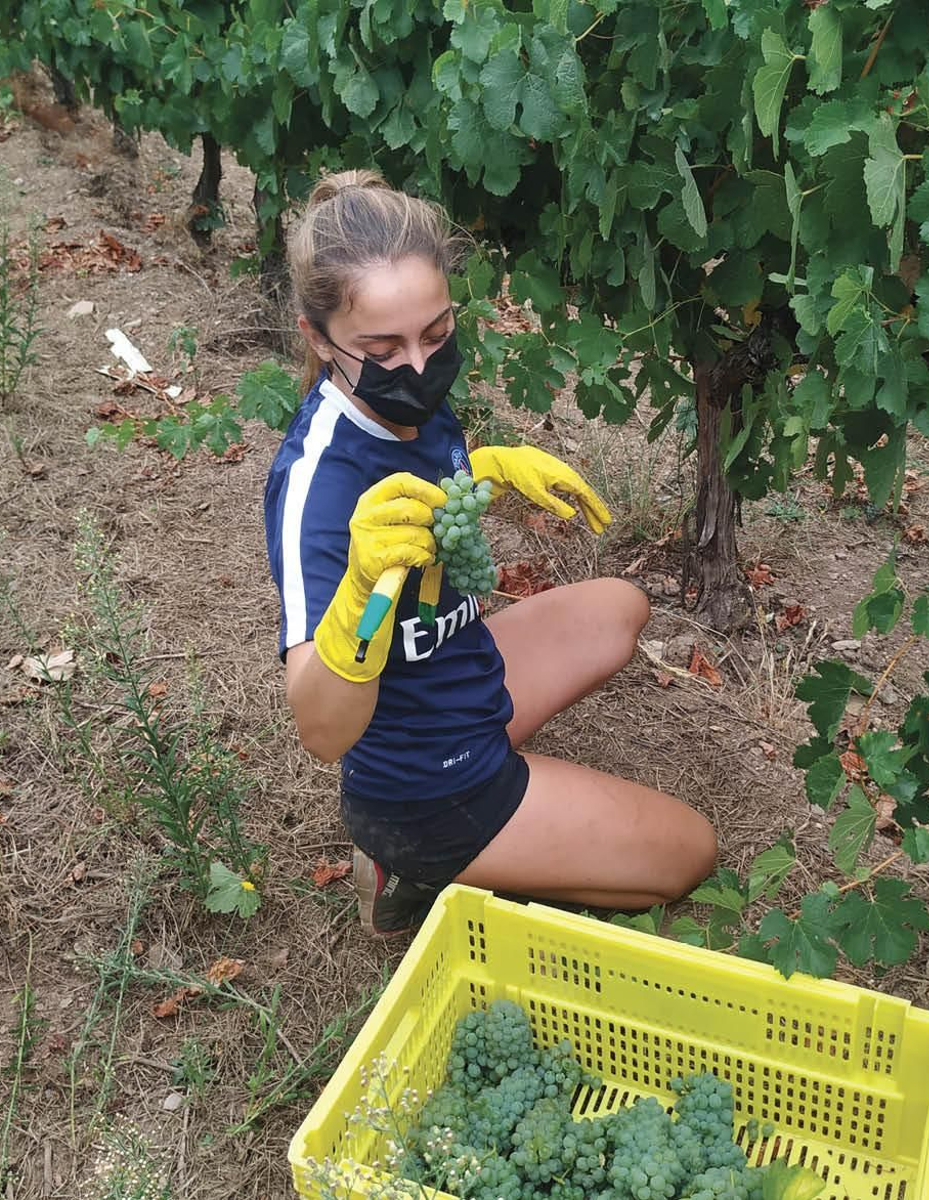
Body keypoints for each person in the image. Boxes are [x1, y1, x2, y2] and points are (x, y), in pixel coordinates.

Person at [263, 170, 717, 935]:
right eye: (383, 346)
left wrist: (486, 471)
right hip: (417, 778)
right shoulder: (320, 486)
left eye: (436, 334)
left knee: (618, 609)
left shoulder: (417, 405)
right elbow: (322, 732)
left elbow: (441, 494)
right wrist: (365, 595)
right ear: (317, 338)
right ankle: (420, 862)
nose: (418, 364)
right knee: (691, 854)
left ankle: (491, 814)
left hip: (447, 664)